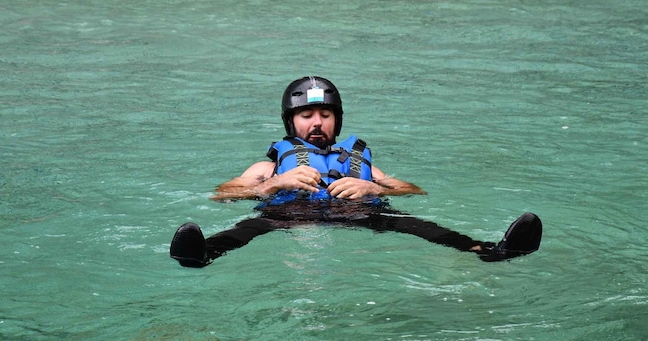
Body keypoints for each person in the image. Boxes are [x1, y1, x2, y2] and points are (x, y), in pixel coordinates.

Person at [170, 76, 541, 268]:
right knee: (245, 230)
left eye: (325, 116)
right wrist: (274, 184)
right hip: (289, 215)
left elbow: (411, 190)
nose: (317, 123)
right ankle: (202, 255)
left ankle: (489, 250)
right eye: (306, 116)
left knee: (420, 225)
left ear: (337, 120)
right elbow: (222, 194)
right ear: (291, 122)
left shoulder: (360, 162)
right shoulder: (268, 166)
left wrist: (370, 187)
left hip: (358, 212)